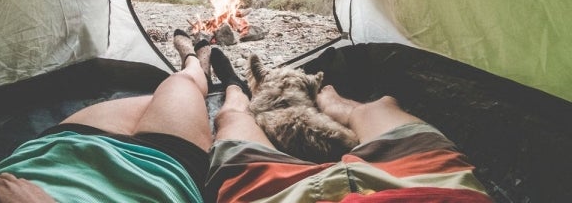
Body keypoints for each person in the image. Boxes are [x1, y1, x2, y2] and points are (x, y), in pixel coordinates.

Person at [0, 29, 214, 203]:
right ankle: (195, 64)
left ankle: (192, 67)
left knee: (164, 94)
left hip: (64, 149)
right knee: (181, 87)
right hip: (160, 170)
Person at [205, 46, 493, 202]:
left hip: (282, 197)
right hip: (437, 186)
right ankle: (331, 101)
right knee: (382, 105)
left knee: (231, 118)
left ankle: (234, 87)